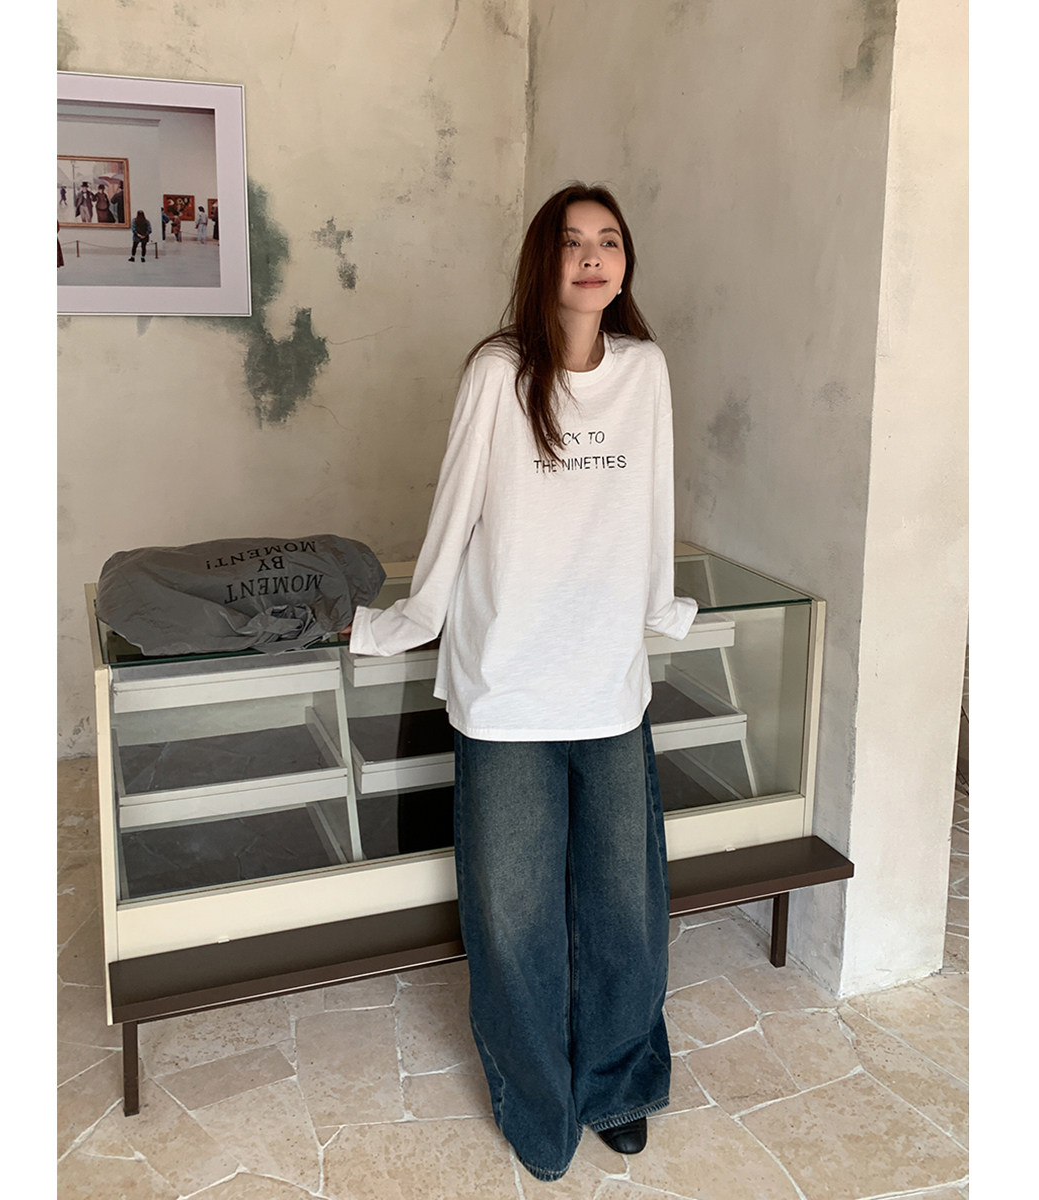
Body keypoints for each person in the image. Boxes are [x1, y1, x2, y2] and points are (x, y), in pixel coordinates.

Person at [348, 183, 697, 1182]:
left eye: (609, 241)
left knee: (625, 906)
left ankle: (619, 1084)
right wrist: (409, 621)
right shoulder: (498, 372)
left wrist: (659, 607)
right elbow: (455, 512)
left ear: (624, 264)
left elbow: (654, 502)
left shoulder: (645, 371)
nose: (592, 257)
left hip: (607, 682)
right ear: (544, 260)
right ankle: (537, 1105)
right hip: (505, 685)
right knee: (514, 918)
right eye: (573, 241)